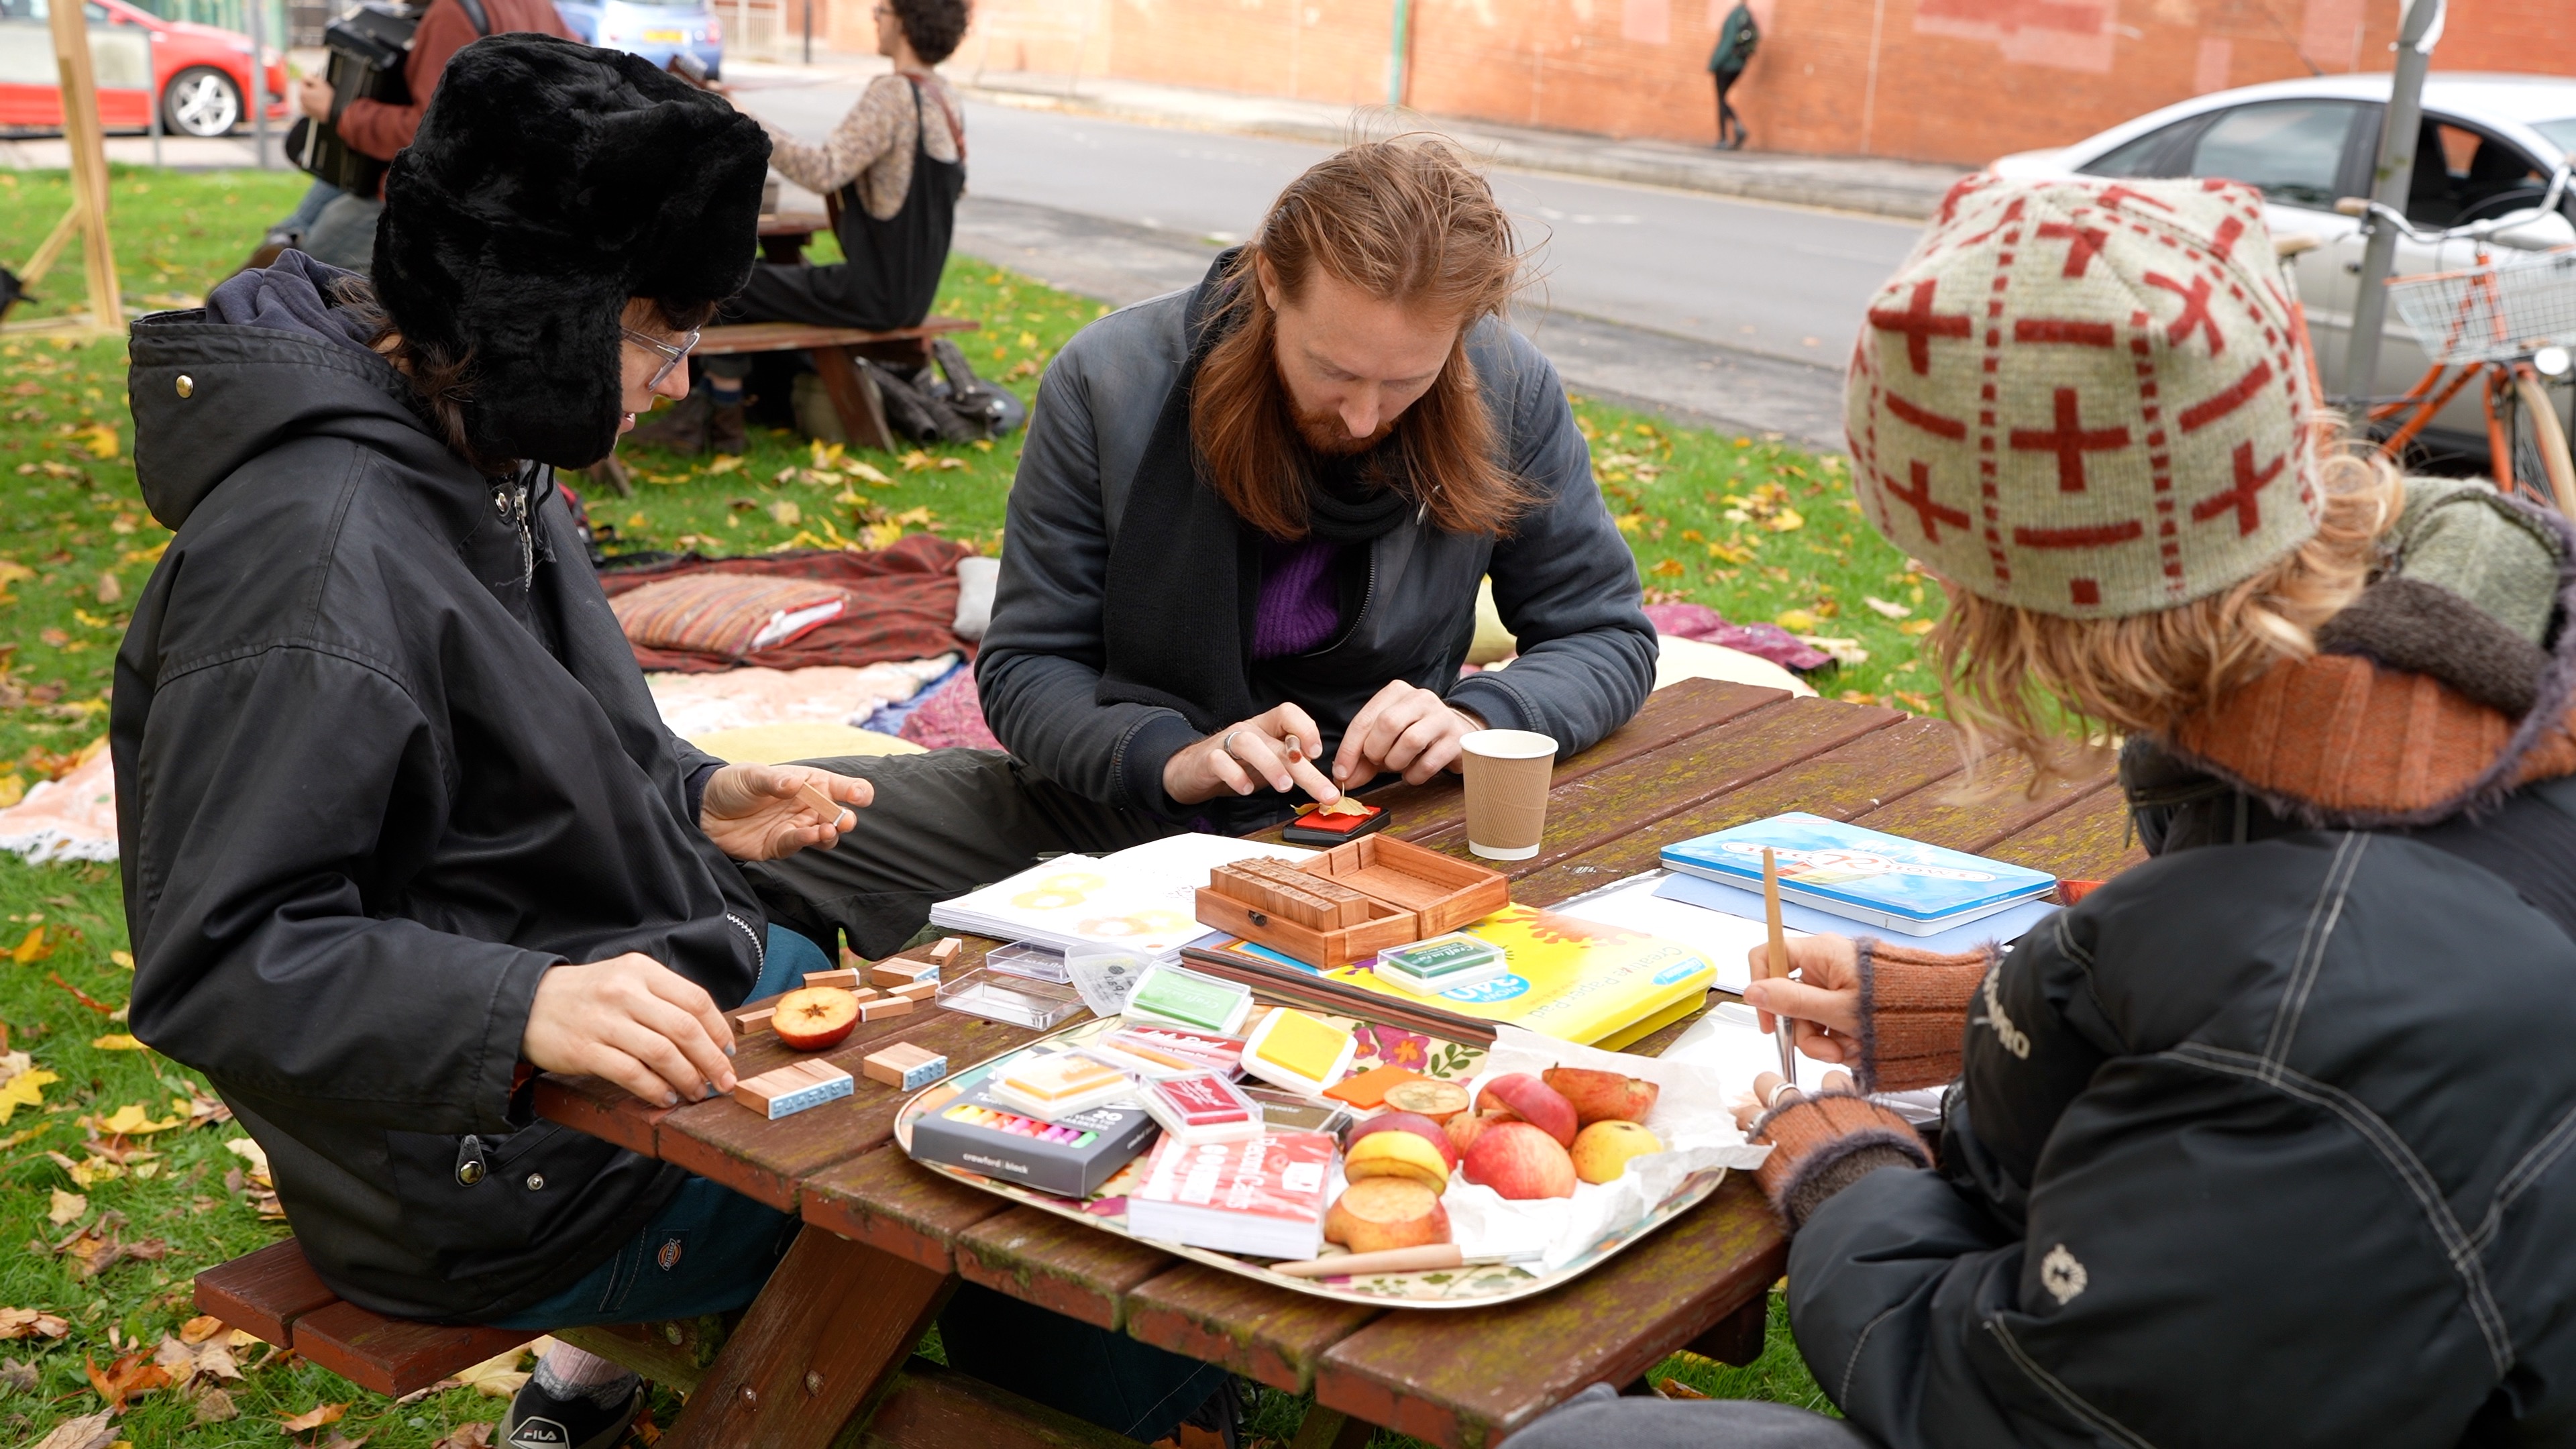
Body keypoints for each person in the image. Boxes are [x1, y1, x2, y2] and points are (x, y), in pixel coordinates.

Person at [117, 36, 1228, 1449]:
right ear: (546, 307)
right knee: (1011, 1167)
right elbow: (219, 959)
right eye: (660, 334)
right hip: (492, 1173)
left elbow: (492, 765)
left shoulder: (472, 432)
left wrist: (692, 793)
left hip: (611, 1037)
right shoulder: (314, 557)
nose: (679, 377)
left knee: (1042, 1023)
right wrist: (513, 1009)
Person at [1503, 174, 2576, 1448]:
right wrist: (1981, 1013)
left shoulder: (2336, 977)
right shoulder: (2438, 689)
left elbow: (2039, 1410)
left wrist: (1853, 1183)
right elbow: (2261, 1055)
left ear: (2032, 609)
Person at [743, 135, 1658, 957]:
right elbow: (1027, 668)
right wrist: (1176, 758)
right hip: (1131, 797)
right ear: (1269, 284)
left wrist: (1480, 718)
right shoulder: (1109, 379)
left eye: (1406, 383)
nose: (1366, 416)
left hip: (1383, 823)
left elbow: (1606, 636)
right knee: (763, 817)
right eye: (1333, 370)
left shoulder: (1506, 388)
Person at [635, 0, 971, 454]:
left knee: (723, 285)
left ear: (908, 20)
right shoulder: (945, 99)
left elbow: (823, 170)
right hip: (911, 295)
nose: (876, 16)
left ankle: (716, 418)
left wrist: (742, 116)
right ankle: (728, 409)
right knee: (750, 281)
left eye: (883, 9)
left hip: (871, 293)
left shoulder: (893, 93)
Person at [264, 0, 577, 272]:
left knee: (305, 271)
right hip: (503, 201)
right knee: (297, 226)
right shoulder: (540, 7)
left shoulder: (453, 13)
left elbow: (430, 131)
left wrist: (339, 110)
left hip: (434, 202)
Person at [1707, 1, 1758, 151]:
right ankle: (1737, 127)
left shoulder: (1734, 16)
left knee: (1721, 100)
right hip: (1739, 65)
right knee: (1723, 99)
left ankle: (1724, 138)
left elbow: (1727, 42)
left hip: (1726, 65)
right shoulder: (1747, 15)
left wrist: (1714, 63)